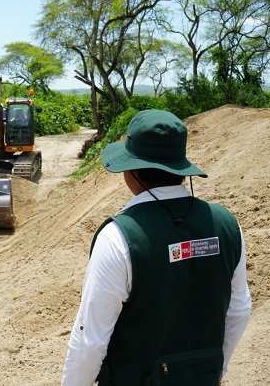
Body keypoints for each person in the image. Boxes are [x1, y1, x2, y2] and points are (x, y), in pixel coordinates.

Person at [61, 110, 251, 386]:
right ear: (180, 168)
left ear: (131, 171)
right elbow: (239, 310)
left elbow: (90, 338)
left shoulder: (118, 237)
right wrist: (214, 372)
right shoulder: (227, 225)